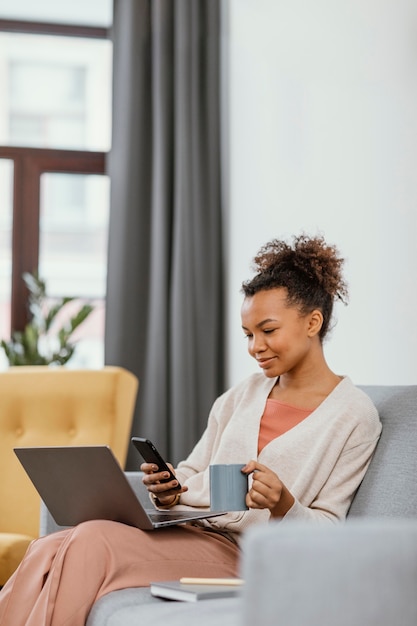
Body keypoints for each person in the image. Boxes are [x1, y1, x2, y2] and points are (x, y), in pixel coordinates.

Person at [0, 234, 382, 626]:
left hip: (250, 557)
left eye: (268, 330)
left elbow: (332, 529)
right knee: (49, 547)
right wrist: (170, 490)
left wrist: (284, 504)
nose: (255, 347)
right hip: (192, 534)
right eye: (249, 335)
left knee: (90, 540)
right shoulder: (242, 395)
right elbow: (193, 473)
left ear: (312, 322)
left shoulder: (353, 416)